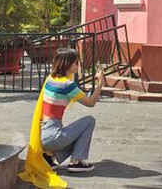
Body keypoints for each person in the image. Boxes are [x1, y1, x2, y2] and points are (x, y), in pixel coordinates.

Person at [18, 47, 104, 188]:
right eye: (76, 62)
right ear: (68, 63)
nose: (78, 65)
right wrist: (101, 83)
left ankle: (48, 156)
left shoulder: (51, 79)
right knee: (89, 121)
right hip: (53, 136)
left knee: (75, 130)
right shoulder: (67, 85)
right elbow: (91, 103)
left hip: (43, 134)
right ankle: (76, 162)